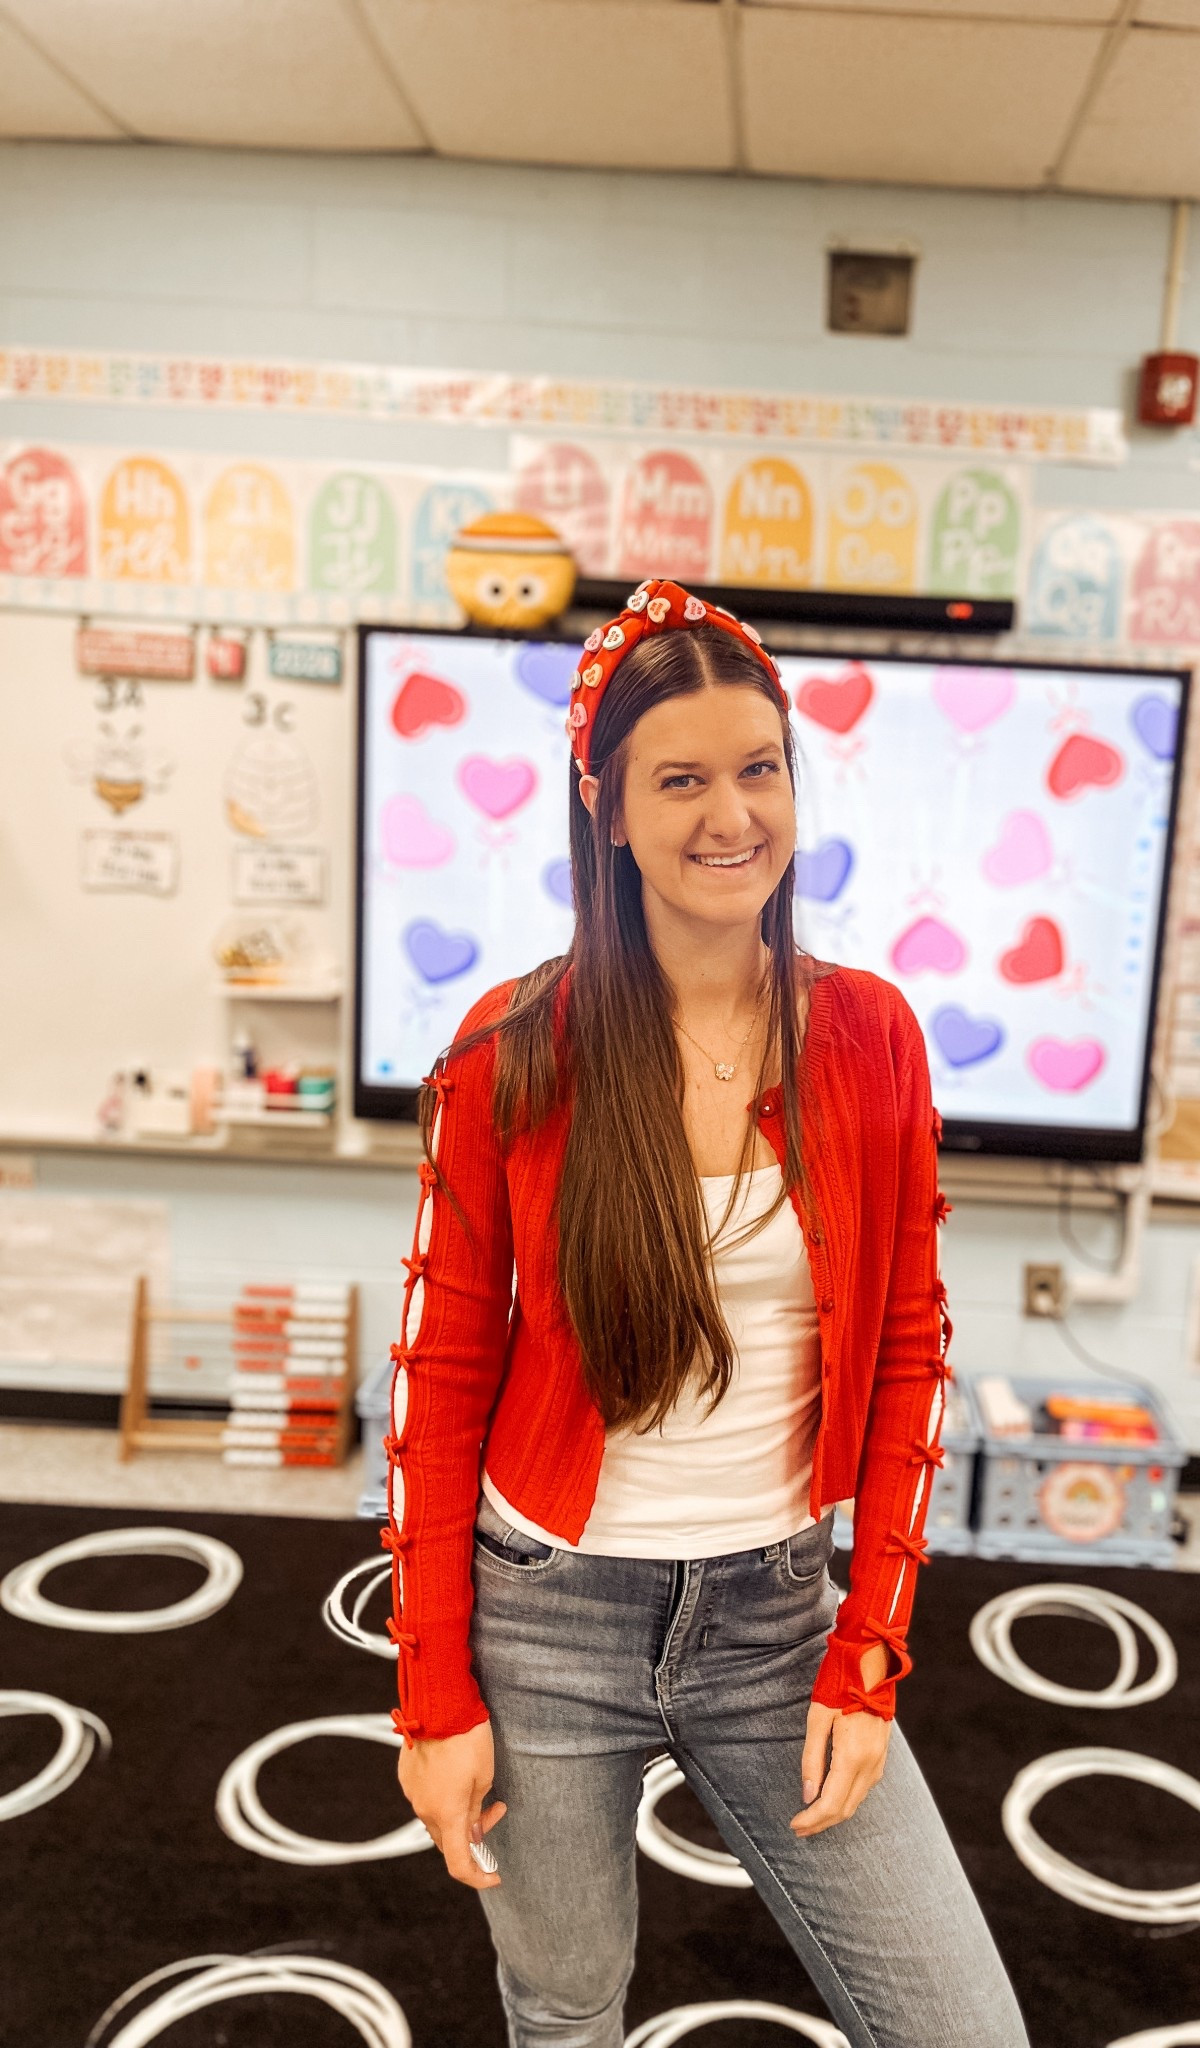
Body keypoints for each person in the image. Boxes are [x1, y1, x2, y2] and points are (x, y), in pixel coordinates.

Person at [383, 578, 1030, 2048]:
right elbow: (433, 1395)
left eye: (760, 768)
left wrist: (869, 1652)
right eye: (681, 778)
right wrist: (432, 1695)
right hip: (544, 1617)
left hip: (778, 1617)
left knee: (963, 2029)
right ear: (606, 809)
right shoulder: (508, 1054)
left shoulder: (870, 1036)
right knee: (564, 2007)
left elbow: (916, 1350)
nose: (730, 812)